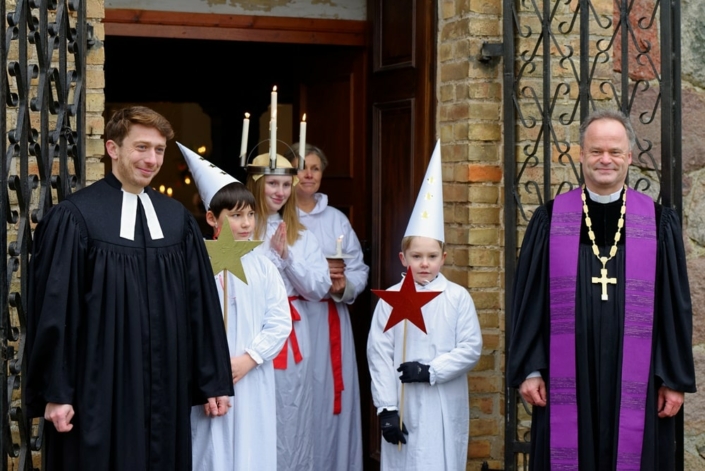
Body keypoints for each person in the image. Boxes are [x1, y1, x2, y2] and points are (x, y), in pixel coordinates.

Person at [24, 107, 234, 471]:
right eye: (141, 147)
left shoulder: (176, 220)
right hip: (97, 390)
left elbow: (200, 304)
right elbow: (56, 310)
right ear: (112, 148)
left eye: (159, 150)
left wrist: (213, 378)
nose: (151, 159)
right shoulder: (77, 217)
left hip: (165, 389)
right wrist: (56, 393)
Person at [507, 109, 696, 470]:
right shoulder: (550, 220)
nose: (605, 159)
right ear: (581, 155)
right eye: (596, 151)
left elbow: (675, 305)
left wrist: (673, 378)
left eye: (614, 151)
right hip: (567, 378)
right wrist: (530, 369)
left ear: (629, 157)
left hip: (640, 384)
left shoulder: (658, 223)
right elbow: (528, 299)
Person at [367, 141, 483, 471]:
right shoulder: (391, 300)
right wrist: (386, 409)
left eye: (432, 257)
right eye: (416, 256)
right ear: (403, 258)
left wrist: (432, 370)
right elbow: (378, 353)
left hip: (443, 401)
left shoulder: (457, 297)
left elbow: (471, 347)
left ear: (443, 258)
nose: (424, 264)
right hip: (405, 403)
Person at [179, 144, 292, 471]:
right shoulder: (195, 266)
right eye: (236, 215)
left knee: (251, 450)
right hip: (209, 382)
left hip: (252, 377)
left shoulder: (264, 267)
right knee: (211, 450)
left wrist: (250, 358)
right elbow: (189, 322)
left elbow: (279, 322)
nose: (246, 223)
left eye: (250, 214)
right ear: (212, 217)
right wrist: (207, 374)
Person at [284, 143, 368, 471]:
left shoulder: (337, 220)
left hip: (330, 318)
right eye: (300, 167)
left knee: (330, 403)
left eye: (315, 168)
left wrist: (344, 286)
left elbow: (358, 268)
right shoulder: (279, 216)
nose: (308, 174)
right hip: (294, 321)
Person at [246, 153, 332, 471]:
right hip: (252, 330)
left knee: (292, 409)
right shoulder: (242, 231)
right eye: (272, 183)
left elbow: (319, 288)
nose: (280, 191)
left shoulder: (302, 235)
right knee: (256, 409)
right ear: (256, 185)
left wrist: (287, 257)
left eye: (286, 184)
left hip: (294, 335)